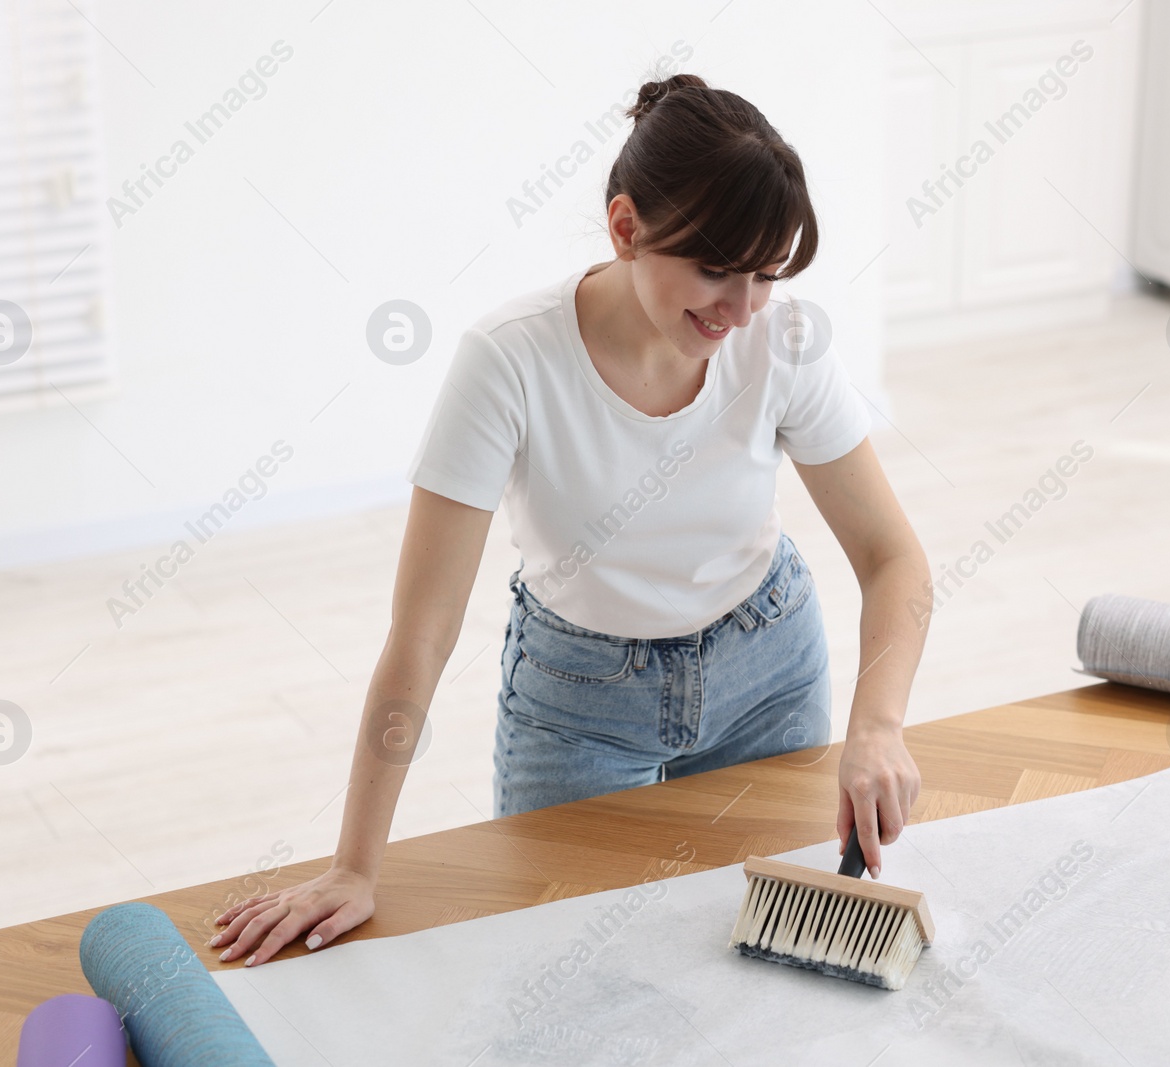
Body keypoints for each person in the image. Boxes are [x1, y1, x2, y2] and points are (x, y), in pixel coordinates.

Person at [210, 73, 931, 968]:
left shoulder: (781, 342)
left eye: (765, 276)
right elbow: (423, 632)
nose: (741, 308)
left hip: (766, 669)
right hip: (580, 701)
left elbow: (891, 555)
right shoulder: (509, 362)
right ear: (626, 228)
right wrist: (355, 865)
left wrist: (879, 724)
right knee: (568, 972)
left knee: (759, 964)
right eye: (714, 269)